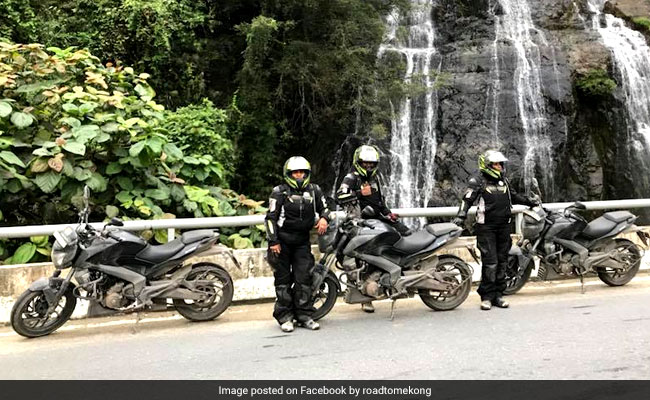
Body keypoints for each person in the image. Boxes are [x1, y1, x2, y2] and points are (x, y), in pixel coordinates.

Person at [452, 150, 538, 311]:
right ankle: (486, 297)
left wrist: (529, 202)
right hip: (486, 227)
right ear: (487, 165)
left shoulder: (503, 180)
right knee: (490, 262)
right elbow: (467, 199)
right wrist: (461, 215)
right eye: (496, 164)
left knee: (502, 260)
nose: (499, 167)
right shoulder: (478, 180)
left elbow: (514, 196)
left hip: (504, 225)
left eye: (500, 164)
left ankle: (498, 295)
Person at [336, 144, 410, 313]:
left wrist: (388, 213)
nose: (368, 167)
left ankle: (403, 276)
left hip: (378, 221)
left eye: (371, 164)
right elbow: (339, 196)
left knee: (406, 234)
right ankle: (366, 298)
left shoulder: (375, 178)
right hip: (361, 225)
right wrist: (361, 194)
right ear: (358, 162)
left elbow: (379, 201)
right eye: (365, 164)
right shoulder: (351, 178)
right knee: (364, 260)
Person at [265, 156, 330, 332]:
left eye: (302, 172)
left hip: (302, 241)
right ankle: (285, 317)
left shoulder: (314, 190)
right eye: (295, 172)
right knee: (283, 281)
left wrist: (324, 218)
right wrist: (274, 241)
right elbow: (270, 219)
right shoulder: (279, 192)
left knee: (304, 279)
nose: (299, 175)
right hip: (282, 243)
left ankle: (304, 316)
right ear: (289, 174)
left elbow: (325, 208)